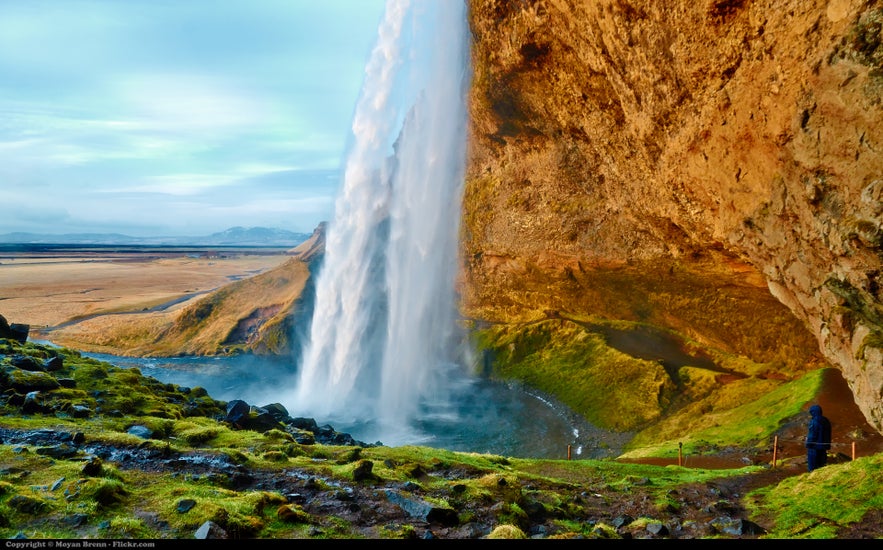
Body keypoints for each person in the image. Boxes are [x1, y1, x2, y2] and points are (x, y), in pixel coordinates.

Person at [805, 404, 832, 472]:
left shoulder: (814, 422)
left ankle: (811, 477)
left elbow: (812, 435)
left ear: (813, 412)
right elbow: (829, 433)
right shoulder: (826, 420)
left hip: (814, 447)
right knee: (822, 464)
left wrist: (808, 444)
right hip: (823, 446)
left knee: (812, 466)